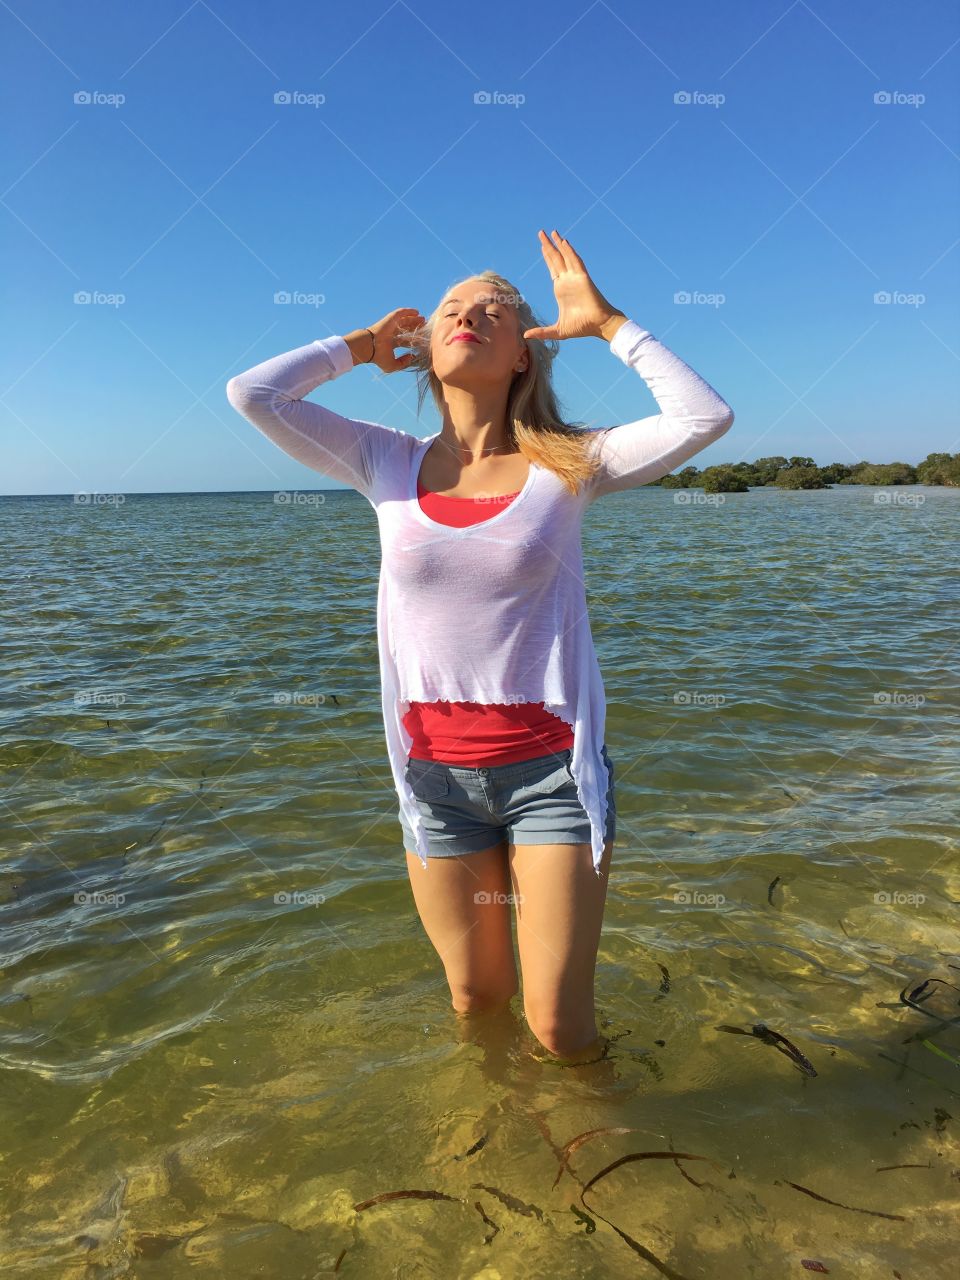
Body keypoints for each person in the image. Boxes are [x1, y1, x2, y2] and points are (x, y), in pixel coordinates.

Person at [226, 229, 734, 1064]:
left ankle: (598, 1150)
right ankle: (492, 1153)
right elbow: (254, 394)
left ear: (525, 355)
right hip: (433, 779)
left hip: (550, 777)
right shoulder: (379, 457)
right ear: (427, 348)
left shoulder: (572, 461)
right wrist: (357, 347)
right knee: (474, 999)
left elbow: (704, 416)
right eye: (452, 310)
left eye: (495, 310)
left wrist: (608, 325)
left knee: (559, 1026)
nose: (470, 316)